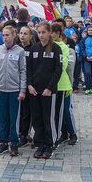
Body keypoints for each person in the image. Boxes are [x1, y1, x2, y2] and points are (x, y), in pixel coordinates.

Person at [0, 26, 27, 157]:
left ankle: (14, 143)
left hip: (14, 90)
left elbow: (23, 71)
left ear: (13, 35)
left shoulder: (20, 51)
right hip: (0, 89)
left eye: (7, 35)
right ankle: (4, 143)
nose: (5, 37)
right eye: (3, 35)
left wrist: (22, 90)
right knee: (2, 118)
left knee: (14, 118)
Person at [27, 22, 63, 159]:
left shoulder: (55, 48)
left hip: (49, 92)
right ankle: (40, 143)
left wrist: (49, 88)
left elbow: (58, 70)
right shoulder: (34, 48)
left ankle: (49, 144)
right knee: (37, 118)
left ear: (49, 33)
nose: (41, 35)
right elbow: (28, 68)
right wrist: (29, 85)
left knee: (48, 119)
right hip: (34, 91)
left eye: (43, 32)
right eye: (39, 32)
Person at [15, 26, 36, 147]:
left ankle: (24, 133)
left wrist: (29, 83)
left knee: (27, 111)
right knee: (18, 110)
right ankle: (16, 132)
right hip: (16, 84)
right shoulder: (15, 48)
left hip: (28, 85)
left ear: (31, 36)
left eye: (25, 33)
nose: (22, 36)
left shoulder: (33, 49)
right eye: (21, 33)